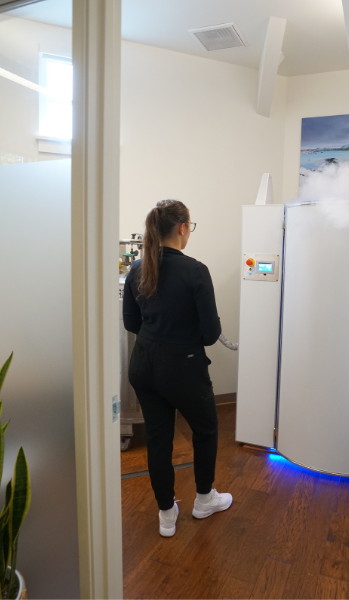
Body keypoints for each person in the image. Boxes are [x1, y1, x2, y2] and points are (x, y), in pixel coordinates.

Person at [122, 199, 233, 537]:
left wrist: (160, 337)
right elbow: (211, 334)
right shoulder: (195, 271)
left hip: (143, 365)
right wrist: (182, 340)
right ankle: (203, 500)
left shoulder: (137, 268)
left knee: (159, 439)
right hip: (183, 368)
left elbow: (131, 322)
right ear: (183, 228)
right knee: (206, 429)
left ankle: (166, 514)